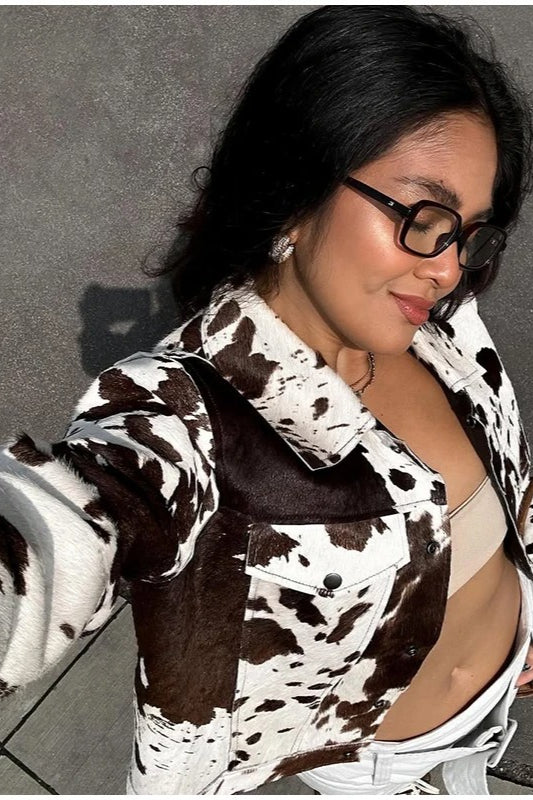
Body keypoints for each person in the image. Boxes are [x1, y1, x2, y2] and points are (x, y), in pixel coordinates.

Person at [1, 5, 533, 796]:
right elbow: (55, 543)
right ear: (294, 191)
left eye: (469, 233)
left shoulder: (445, 325)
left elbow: (503, 478)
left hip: (496, 697)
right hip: (372, 770)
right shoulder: (187, 420)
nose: (450, 268)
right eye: (423, 216)